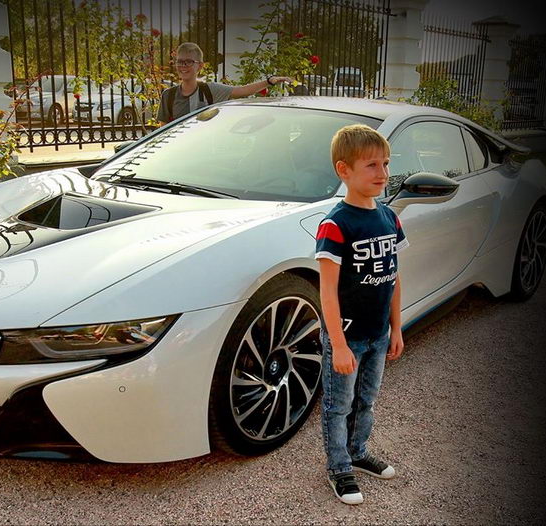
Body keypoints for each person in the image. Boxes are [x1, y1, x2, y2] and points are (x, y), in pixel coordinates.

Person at [314, 124, 409, 505]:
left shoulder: (389, 218)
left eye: (385, 163)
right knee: (338, 405)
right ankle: (338, 467)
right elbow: (327, 290)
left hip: (378, 334)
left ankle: (357, 451)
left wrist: (396, 327)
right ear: (344, 170)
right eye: (371, 165)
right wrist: (338, 344)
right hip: (348, 336)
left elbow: (394, 276)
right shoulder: (336, 225)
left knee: (366, 400)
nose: (382, 173)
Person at [157, 42, 292, 125]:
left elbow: (242, 91)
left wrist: (269, 81)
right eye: (180, 62)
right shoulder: (168, 96)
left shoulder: (210, 90)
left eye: (189, 62)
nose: (183, 66)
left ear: (200, 66)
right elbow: (163, 132)